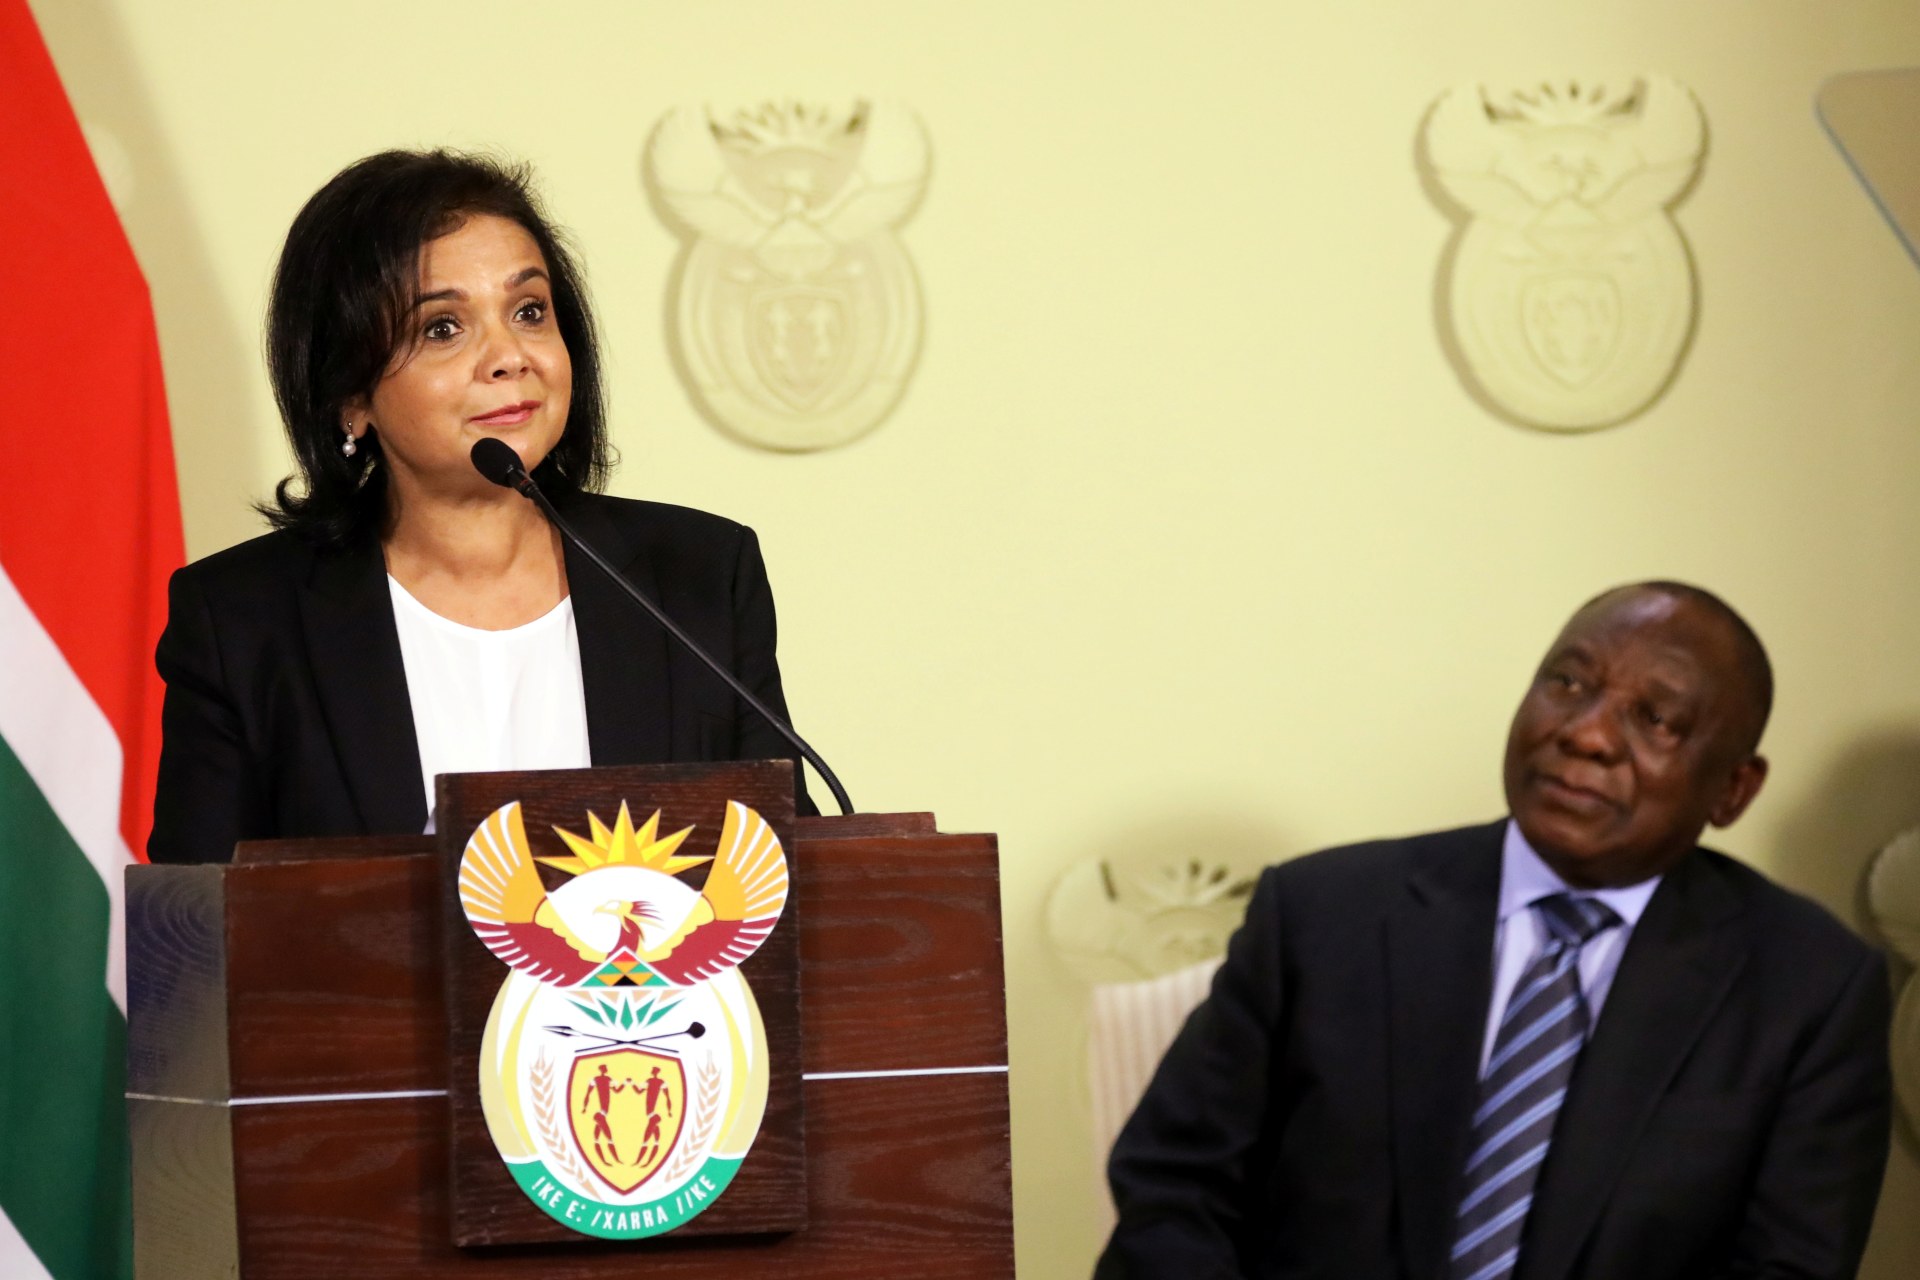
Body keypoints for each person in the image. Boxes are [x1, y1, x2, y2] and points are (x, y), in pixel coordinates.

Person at [1098, 582, 1892, 1280]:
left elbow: (1790, 1266)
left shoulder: (1810, 989)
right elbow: (1173, 1188)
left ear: (1734, 789)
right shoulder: (1319, 914)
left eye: (1655, 718)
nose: (1586, 733)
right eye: (1567, 682)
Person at [148, 150, 813, 864]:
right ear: (350, 396)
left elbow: (793, 874)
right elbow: (194, 934)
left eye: (529, 311)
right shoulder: (244, 622)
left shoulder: (698, 577)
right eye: (442, 327)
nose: (509, 356)